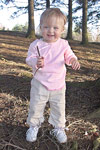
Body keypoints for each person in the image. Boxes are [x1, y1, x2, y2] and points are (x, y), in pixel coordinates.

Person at [26, 8, 80, 144]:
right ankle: (34, 126)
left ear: (62, 30)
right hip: (40, 82)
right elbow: (29, 58)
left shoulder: (63, 44)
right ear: (40, 27)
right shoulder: (36, 44)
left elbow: (69, 55)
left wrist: (73, 60)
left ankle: (58, 127)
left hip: (59, 84)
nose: (51, 31)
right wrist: (35, 62)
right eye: (46, 27)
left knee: (59, 107)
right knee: (36, 105)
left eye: (55, 28)